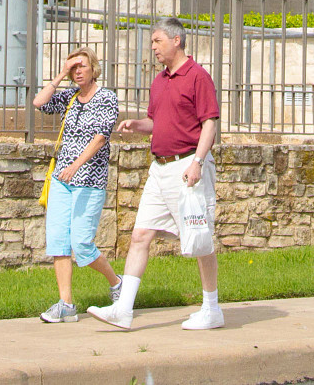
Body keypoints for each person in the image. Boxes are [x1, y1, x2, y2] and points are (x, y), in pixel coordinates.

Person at [89, 17, 222, 331]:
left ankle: (212, 309)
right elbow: (157, 122)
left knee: (199, 240)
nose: (153, 48)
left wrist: (198, 163)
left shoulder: (198, 76)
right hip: (159, 169)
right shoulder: (159, 81)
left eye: (157, 41)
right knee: (140, 236)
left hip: (187, 167)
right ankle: (123, 309)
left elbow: (210, 124)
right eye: (152, 42)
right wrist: (138, 125)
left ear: (177, 40)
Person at [31, 47, 124, 323]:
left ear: (93, 68)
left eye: (81, 66)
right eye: (74, 68)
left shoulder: (106, 98)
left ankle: (116, 283)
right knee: (59, 242)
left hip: (89, 181)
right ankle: (66, 304)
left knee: (82, 243)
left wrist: (76, 165)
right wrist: (60, 73)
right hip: (61, 181)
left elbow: (100, 138)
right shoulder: (69, 97)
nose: (78, 71)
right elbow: (39, 102)